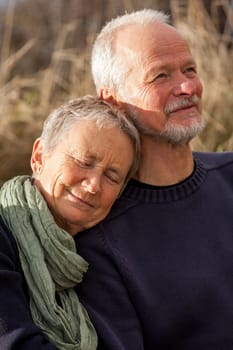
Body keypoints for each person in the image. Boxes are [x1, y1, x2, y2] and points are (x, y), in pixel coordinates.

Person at [74, 9, 233, 350]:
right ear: (113, 101)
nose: (188, 86)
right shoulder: (99, 241)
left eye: (189, 69)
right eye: (160, 76)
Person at [0, 95, 141, 350]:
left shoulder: (97, 260)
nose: (93, 185)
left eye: (112, 176)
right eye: (84, 162)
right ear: (39, 157)